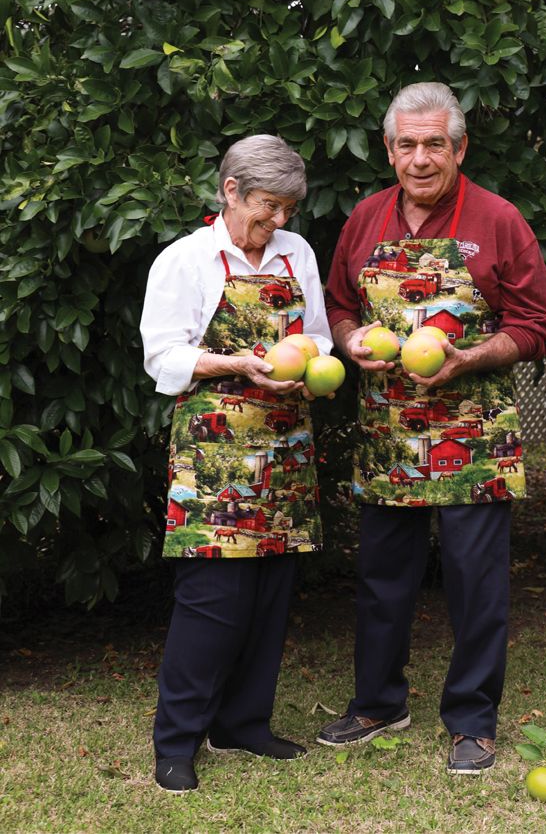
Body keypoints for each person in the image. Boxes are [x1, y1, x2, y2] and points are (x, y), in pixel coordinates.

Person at [317, 82, 546, 774]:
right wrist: (352, 336)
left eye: (435, 144)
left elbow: (535, 327)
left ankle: (473, 719)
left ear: (459, 148)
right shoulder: (364, 219)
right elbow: (337, 304)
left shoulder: (500, 220)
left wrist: (470, 359)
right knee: (383, 580)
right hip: (388, 433)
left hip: (473, 436)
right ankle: (378, 703)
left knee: (475, 584)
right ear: (389, 149)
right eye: (408, 144)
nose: (421, 158)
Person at [140, 135, 333, 793]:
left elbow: (322, 336)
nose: (278, 222)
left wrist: (308, 367)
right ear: (231, 192)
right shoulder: (186, 261)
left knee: (271, 598)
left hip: (285, 448)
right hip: (215, 454)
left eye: (287, 210)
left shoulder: (296, 254)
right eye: (267, 208)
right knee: (212, 603)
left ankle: (244, 723)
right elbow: (163, 357)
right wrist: (239, 364)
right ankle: (178, 741)